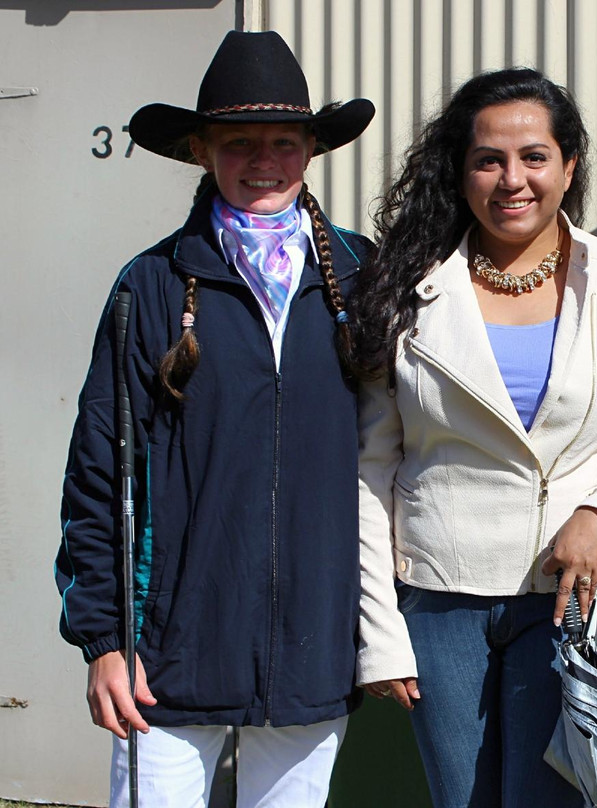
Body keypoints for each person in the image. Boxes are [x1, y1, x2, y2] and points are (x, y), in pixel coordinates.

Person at [345, 67, 597, 807]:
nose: (512, 180)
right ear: (459, 172)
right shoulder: (406, 288)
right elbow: (370, 472)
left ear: (569, 166)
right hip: (438, 603)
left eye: (533, 156)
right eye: (488, 159)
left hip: (568, 600)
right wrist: (379, 632)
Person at [54, 31, 374, 807]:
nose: (262, 160)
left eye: (283, 141)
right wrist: (106, 641)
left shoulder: (363, 280)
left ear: (310, 150)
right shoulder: (152, 285)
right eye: (238, 142)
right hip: (167, 659)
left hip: (312, 650)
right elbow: (101, 470)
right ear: (200, 149)